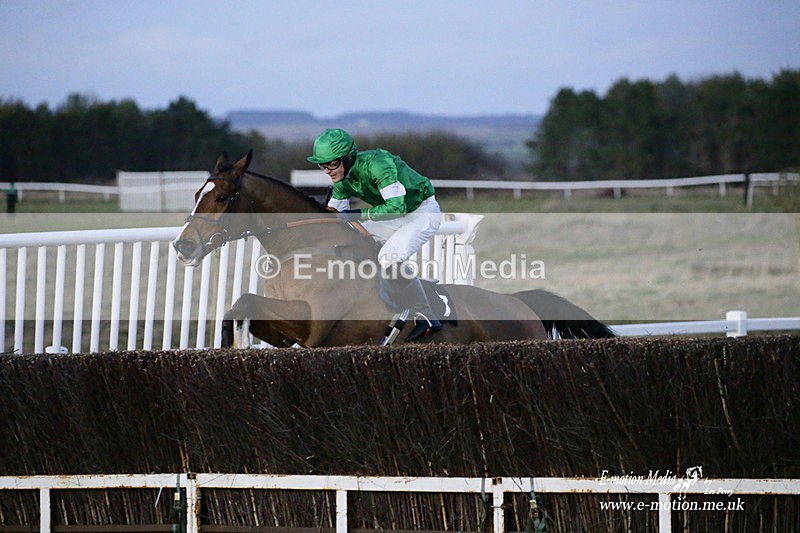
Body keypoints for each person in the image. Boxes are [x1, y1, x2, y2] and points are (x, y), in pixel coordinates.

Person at [307, 128, 442, 340]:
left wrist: (356, 214)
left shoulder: (378, 164)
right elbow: (334, 217)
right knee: (349, 240)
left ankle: (427, 315)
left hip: (421, 213)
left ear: (348, 158)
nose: (328, 171)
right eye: (323, 165)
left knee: (388, 257)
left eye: (332, 164)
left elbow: (397, 208)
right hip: (395, 216)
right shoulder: (341, 180)